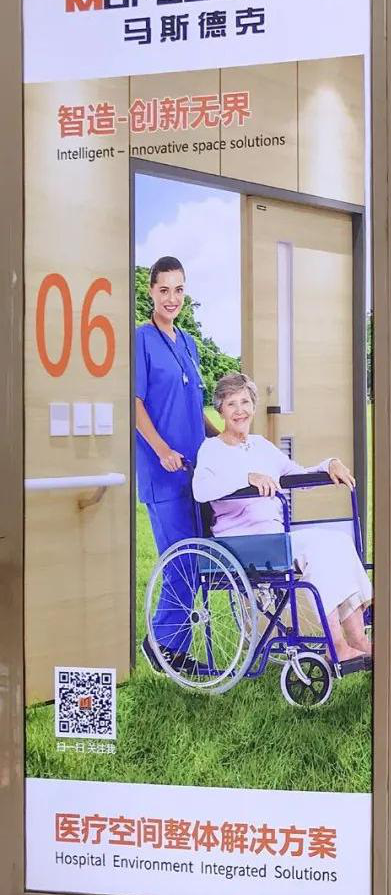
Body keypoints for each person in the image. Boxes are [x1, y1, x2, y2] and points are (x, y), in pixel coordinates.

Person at [192, 372, 373, 661]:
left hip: (275, 537)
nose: (239, 410)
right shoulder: (212, 449)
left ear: (253, 406)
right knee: (319, 549)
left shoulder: (261, 445)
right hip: (243, 542)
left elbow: (297, 475)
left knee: (338, 541)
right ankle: (335, 646)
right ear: (220, 410)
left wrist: (330, 464)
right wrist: (246, 478)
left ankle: (358, 639)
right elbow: (201, 490)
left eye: (245, 402)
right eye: (231, 404)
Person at [135, 255, 220, 673]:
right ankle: (163, 647)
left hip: (196, 473)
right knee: (181, 561)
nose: (172, 298)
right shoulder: (141, 339)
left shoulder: (187, 342)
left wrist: (222, 436)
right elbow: (133, 402)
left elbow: (192, 402)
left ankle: (169, 644)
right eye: (164, 289)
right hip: (163, 472)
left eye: (179, 289)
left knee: (197, 560)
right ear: (151, 291)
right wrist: (162, 449)